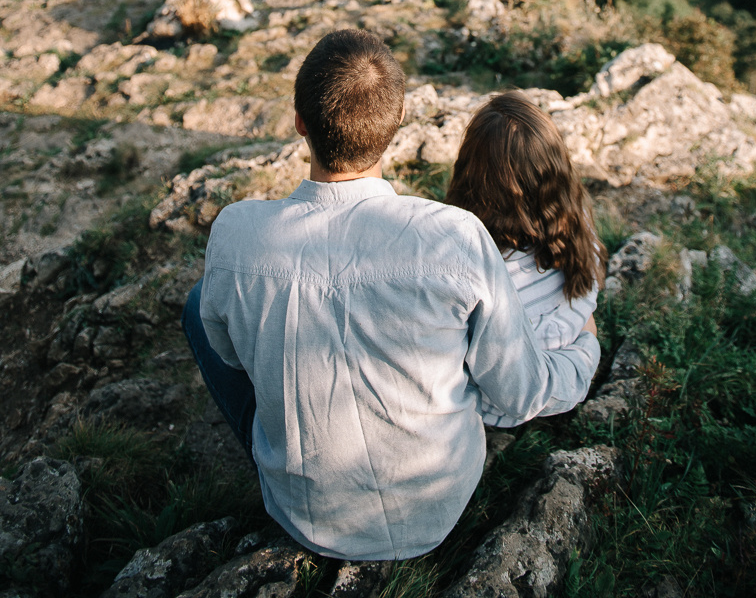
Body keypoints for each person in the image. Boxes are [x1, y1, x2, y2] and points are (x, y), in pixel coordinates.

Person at [181, 29, 600, 562]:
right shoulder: (454, 237)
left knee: (199, 303)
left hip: (306, 515)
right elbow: (521, 394)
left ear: (300, 122)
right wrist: (585, 349)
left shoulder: (235, 234)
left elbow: (229, 355)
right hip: (439, 501)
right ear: (399, 119)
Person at [445, 91, 606, 426]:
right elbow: (587, 296)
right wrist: (588, 340)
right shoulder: (577, 227)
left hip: (492, 409)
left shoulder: (467, 270)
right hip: (567, 368)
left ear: (469, 174)